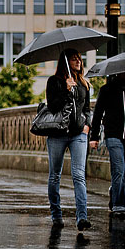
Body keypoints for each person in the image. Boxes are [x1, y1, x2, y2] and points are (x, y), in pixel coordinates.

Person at [89, 71, 125, 220]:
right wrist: (94, 136)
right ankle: (119, 205)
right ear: (117, 72)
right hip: (113, 136)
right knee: (118, 169)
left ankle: (114, 190)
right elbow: (97, 114)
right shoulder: (106, 90)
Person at [45, 48, 92, 231]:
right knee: (55, 175)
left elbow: (87, 109)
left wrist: (87, 125)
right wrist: (66, 89)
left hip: (78, 134)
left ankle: (82, 218)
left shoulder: (83, 84)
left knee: (79, 175)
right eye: (74, 59)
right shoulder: (54, 82)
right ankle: (56, 215)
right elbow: (53, 107)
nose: (78, 62)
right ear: (65, 62)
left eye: (79, 58)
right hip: (57, 134)